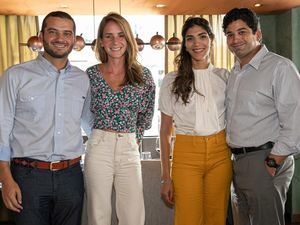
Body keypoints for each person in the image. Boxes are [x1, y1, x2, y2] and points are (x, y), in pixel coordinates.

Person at [0, 11, 92, 225]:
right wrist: (5, 179)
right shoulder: (15, 76)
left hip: (71, 177)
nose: (61, 39)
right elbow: (2, 128)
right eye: (53, 32)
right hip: (27, 178)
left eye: (67, 33)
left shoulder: (83, 79)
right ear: (41, 36)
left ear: (74, 38)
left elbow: (91, 126)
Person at [223, 8, 300, 225]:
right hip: (238, 162)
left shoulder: (280, 67)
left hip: (264, 159)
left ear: (258, 34)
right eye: (230, 34)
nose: (235, 39)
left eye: (242, 32)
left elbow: (296, 120)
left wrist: (273, 162)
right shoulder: (236, 71)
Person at [159, 17, 232, 225]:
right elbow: (165, 132)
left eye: (202, 36)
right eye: (190, 39)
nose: (197, 43)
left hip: (220, 153)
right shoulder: (172, 80)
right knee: (187, 218)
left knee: (216, 217)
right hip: (186, 153)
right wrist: (166, 177)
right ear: (184, 44)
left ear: (211, 39)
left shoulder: (225, 77)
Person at [84, 12, 155, 225]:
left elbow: (146, 115)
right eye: (108, 36)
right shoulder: (91, 75)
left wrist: (134, 138)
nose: (115, 41)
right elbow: (84, 113)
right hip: (98, 145)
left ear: (128, 39)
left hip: (129, 146)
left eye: (121, 35)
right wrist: (99, 136)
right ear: (101, 42)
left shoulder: (143, 76)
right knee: (98, 213)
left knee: (133, 214)